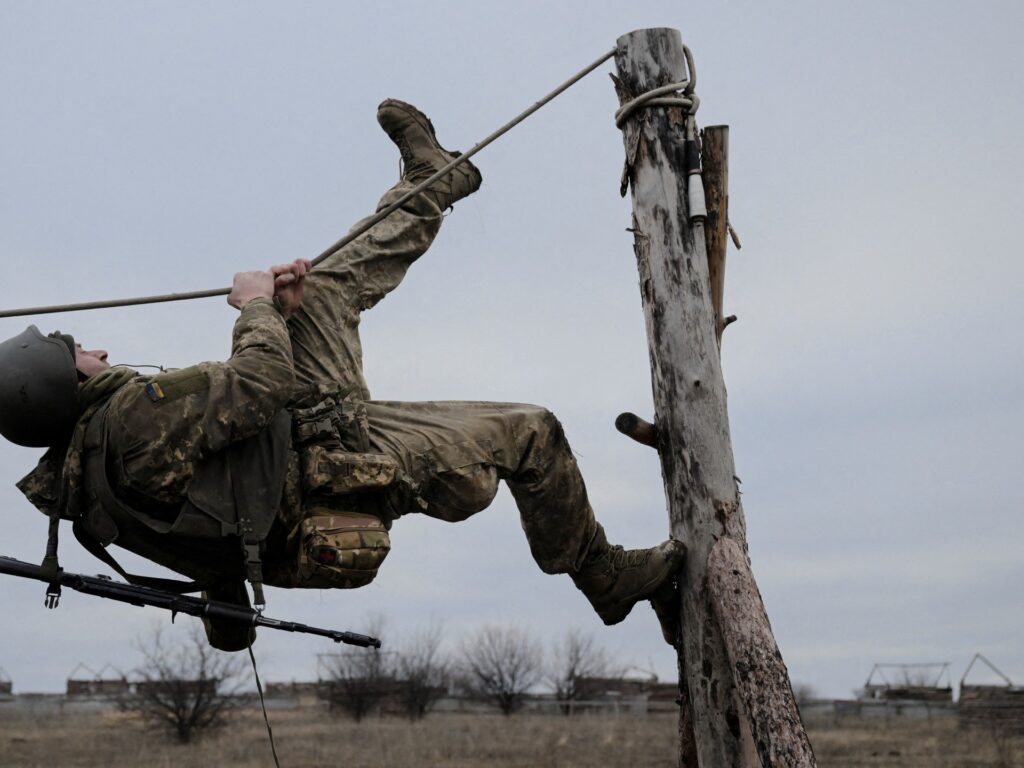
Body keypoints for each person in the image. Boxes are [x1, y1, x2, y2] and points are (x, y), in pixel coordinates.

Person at [0, 100, 684, 650]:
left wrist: (226, 599)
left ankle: (433, 181)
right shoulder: (132, 418)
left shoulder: (86, 487)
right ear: (62, 383)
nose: (100, 351)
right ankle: (606, 578)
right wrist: (257, 303)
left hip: (298, 455)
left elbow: (203, 536)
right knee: (532, 434)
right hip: (329, 460)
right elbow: (261, 380)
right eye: (81, 352)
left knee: (321, 288)